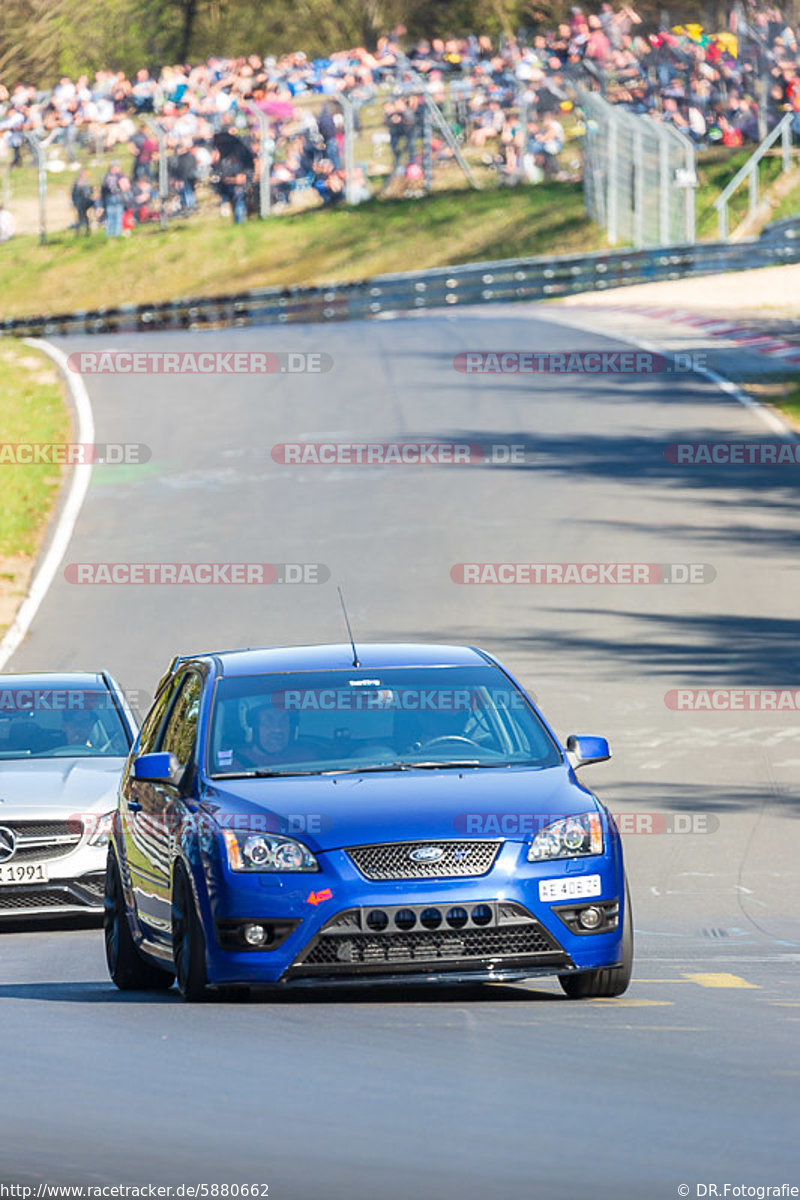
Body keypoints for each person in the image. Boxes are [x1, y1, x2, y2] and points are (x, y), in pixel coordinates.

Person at [71, 168, 95, 234]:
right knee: (81, 217)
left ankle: (86, 231)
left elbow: (89, 192)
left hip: (86, 202)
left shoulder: (85, 181)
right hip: (80, 203)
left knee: (85, 217)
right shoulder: (78, 182)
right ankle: (80, 231)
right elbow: (75, 194)